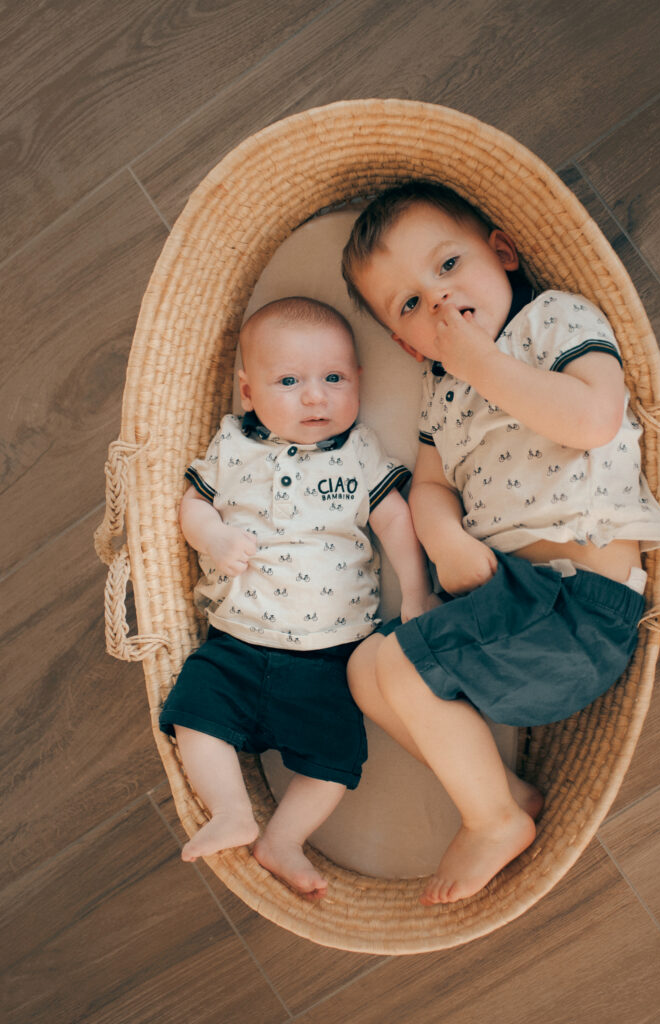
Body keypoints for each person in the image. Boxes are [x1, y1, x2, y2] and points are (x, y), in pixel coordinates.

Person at [340, 180, 660, 906]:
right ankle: (500, 793)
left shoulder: (554, 320)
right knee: (366, 672)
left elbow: (592, 419)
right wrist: (443, 534)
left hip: (578, 608)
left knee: (391, 665)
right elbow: (429, 486)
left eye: (448, 267)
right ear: (403, 343)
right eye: (409, 305)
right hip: (511, 605)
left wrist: (481, 362)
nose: (438, 303)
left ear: (504, 254)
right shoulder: (438, 394)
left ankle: (490, 820)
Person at [159, 296, 435, 899]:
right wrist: (215, 535)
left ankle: (281, 839)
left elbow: (395, 521)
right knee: (193, 715)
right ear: (249, 391)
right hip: (236, 639)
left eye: (334, 379)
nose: (316, 397)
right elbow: (191, 504)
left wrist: (415, 592)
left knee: (336, 760)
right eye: (289, 381)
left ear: (358, 383)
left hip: (331, 656)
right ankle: (231, 809)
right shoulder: (233, 446)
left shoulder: (359, 453)